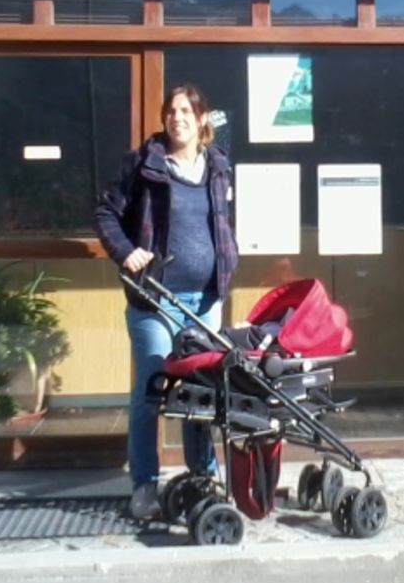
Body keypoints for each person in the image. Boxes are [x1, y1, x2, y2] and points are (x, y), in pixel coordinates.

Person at [94, 84, 238, 520]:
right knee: (151, 390)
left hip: (205, 301)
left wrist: (229, 257)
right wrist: (125, 251)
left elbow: (223, 222)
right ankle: (144, 485)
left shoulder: (218, 167)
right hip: (154, 300)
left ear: (201, 119)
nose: (176, 118)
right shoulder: (143, 165)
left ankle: (202, 477)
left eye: (185, 111)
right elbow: (105, 213)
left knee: (201, 391)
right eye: (170, 111)